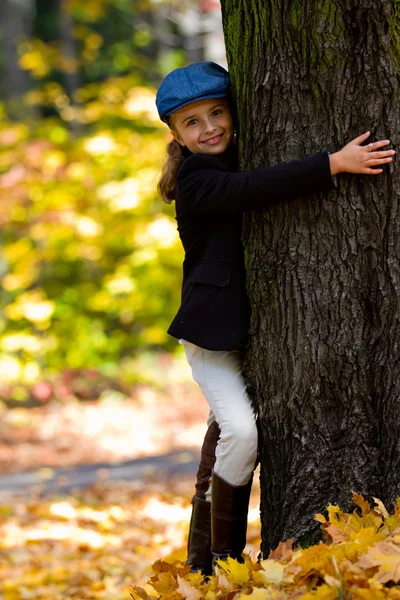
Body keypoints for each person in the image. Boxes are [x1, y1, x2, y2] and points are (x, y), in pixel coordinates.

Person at [155, 62, 395, 574]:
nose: (209, 127)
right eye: (192, 122)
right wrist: (332, 163)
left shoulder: (241, 155)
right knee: (241, 433)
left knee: (223, 433)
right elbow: (252, 189)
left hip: (250, 331)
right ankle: (222, 563)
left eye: (217, 113)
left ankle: (202, 566)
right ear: (175, 135)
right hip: (212, 337)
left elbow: (258, 179)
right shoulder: (197, 177)